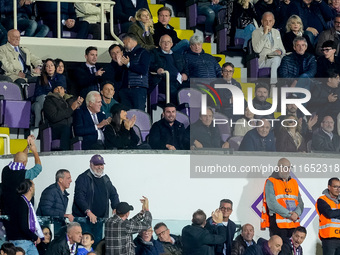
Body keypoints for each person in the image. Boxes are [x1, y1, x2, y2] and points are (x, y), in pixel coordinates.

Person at [72, 154, 120, 248]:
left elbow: (113, 194)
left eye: (101, 164)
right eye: (97, 164)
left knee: (96, 245)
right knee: (83, 246)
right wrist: (88, 211)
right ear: (91, 164)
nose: (100, 167)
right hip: (84, 220)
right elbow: (79, 197)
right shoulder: (83, 178)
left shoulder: (105, 178)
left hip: (100, 220)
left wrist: (115, 207)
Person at [261, 158, 304, 238]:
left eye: (289, 167)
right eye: (285, 167)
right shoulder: (271, 181)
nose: (287, 170)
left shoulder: (293, 182)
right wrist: (289, 215)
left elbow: (300, 203)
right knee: (280, 249)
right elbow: (272, 204)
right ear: (278, 168)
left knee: (292, 249)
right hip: (278, 225)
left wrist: (296, 213)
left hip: (293, 224)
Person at [1, 135, 41, 215]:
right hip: (20, 210)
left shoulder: (5, 170)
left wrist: (28, 147)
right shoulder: (25, 174)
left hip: (7, 208)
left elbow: (21, 157)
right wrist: (35, 151)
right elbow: (38, 167)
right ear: (24, 163)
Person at [42, 74, 84, 150]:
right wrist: (71, 108)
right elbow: (54, 117)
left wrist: (78, 106)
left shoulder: (69, 100)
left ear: (64, 90)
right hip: (56, 128)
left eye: (61, 88)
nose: (58, 90)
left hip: (70, 127)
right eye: (56, 88)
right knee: (66, 129)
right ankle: (65, 153)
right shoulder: (49, 100)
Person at [7, 180, 44, 255]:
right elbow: (23, 226)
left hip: (26, 240)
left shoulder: (24, 202)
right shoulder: (22, 204)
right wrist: (35, 237)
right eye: (33, 185)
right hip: (21, 241)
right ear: (30, 188)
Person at [149, 34, 189, 104]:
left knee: (192, 89)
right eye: (163, 42)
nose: (166, 44)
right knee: (174, 92)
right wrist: (157, 69)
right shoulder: (155, 53)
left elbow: (185, 68)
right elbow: (150, 65)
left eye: (168, 42)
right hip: (164, 81)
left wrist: (185, 74)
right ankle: (174, 111)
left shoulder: (178, 56)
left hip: (179, 81)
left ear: (172, 44)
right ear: (160, 44)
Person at [251, 12, 285, 85]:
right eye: (266, 21)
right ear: (262, 22)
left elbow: (283, 50)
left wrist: (280, 52)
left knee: (283, 60)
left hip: (277, 57)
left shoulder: (276, 32)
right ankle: (273, 85)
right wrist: (265, 34)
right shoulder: (256, 32)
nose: (268, 23)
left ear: (273, 22)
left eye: (270, 21)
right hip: (264, 61)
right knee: (276, 59)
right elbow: (257, 50)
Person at [118, 34, 150, 111]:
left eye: (124, 43)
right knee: (126, 115)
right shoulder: (125, 54)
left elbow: (143, 70)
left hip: (138, 89)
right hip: (125, 89)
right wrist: (119, 64)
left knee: (138, 114)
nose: (124, 45)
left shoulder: (143, 52)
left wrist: (128, 64)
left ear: (129, 40)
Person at [37, 169, 74, 235]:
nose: (71, 180)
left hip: (56, 229)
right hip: (47, 230)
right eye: (68, 178)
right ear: (60, 180)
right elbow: (46, 210)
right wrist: (64, 215)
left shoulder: (64, 196)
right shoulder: (50, 191)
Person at [315, 177, 340, 255]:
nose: (338, 189)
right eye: (335, 186)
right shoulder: (322, 200)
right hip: (329, 239)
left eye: (339, 187)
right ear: (329, 187)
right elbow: (329, 214)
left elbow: (333, 214)